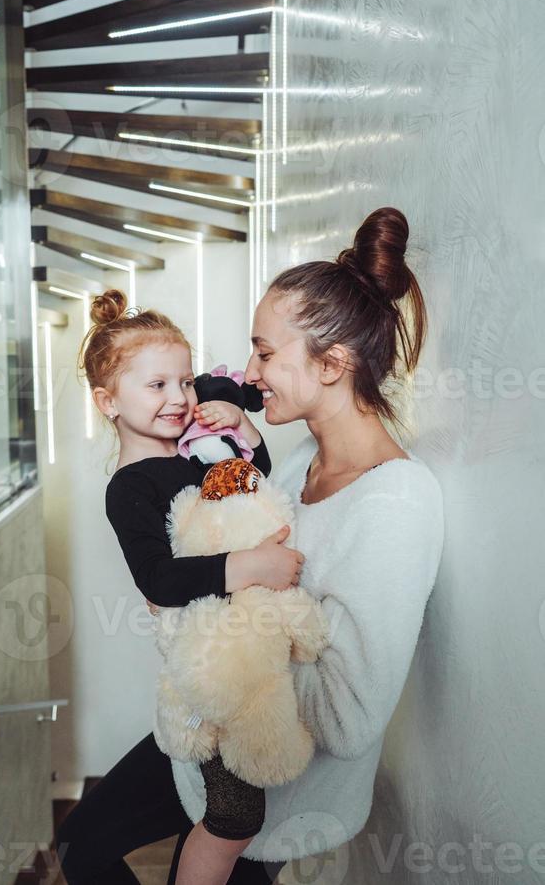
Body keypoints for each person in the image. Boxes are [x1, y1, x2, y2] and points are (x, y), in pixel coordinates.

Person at [171, 206, 445, 872]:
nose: (249, 370)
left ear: (333, 363)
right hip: (206, 770)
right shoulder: (297, 461)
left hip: (273, 812)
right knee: (88, 841)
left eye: (265, 352)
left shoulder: (398, 503)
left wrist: (226, 630)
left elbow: (348, 718)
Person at [56, 288, 302, 885]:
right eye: (156, 386)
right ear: (106, 401)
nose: (179, 398)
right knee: (84, 845)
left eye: (185, 382)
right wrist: (249, 565)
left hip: (246, 679)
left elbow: (251, 483)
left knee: (226, 844)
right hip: (203, 691)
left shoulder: (197, 456)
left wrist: (244, 427)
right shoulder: (130, 487)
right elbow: (161, 581)